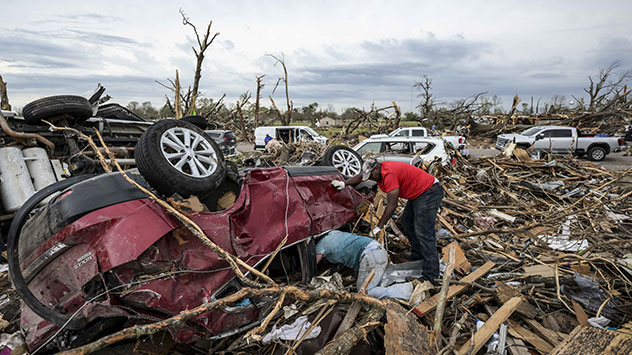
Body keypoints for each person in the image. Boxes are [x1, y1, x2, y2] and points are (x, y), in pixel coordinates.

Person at [331, 159, 444, 284]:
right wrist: (344, 184)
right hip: (418, 193)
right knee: (407, 221)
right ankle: (418, 255)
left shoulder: (389, 174)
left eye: (372, 176)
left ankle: (431, 276)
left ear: (376, 169)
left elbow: (392, 205)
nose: (371, 179)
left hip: (429, 191)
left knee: (424, 232)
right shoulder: (377, 171)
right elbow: (361, 176)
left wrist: (379, 226)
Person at [316, 230, 414, 300]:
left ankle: (406, 290)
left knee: (363, 293)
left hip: (369, 256)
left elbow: (313, 264)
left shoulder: (319, 246)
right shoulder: (333, 233)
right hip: (378, 250)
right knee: (377, 283)